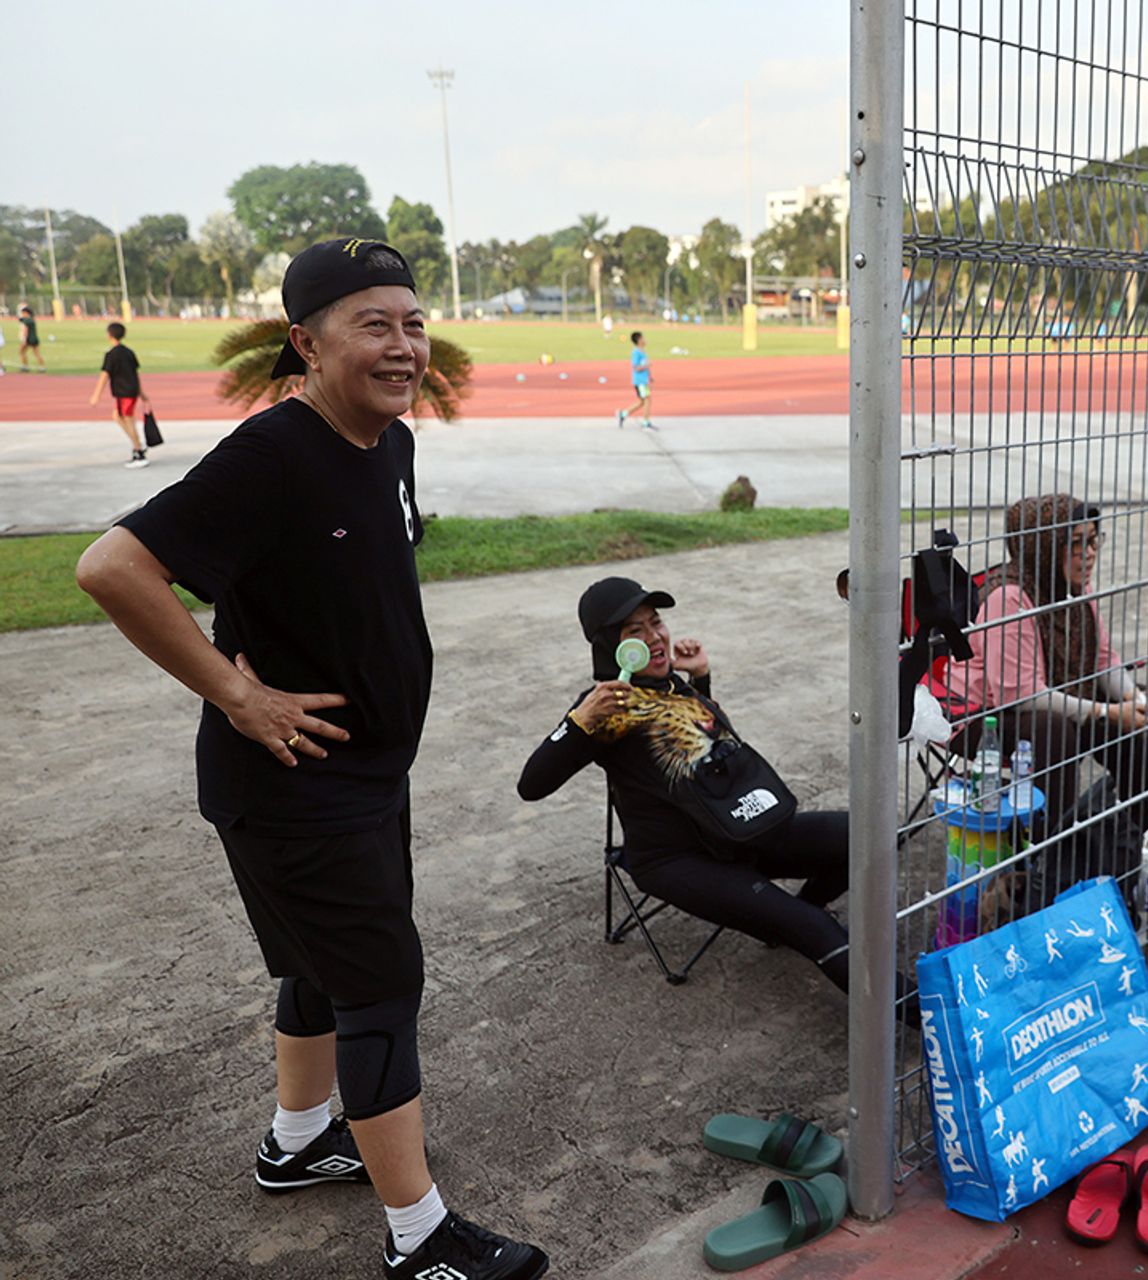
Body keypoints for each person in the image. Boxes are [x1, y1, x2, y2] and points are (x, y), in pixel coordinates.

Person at [74, 238, 548, 1280]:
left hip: (365, 778)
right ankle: (422, 1239)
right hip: (298, 788)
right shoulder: (273, 454)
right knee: (382, 987)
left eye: (413, 323)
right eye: (373, 324)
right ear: (307, 342)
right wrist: (236, 691)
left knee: (317, 971)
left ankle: (296, 1141)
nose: (403, 345)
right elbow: (113, 567)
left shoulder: (390, 444)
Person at [519, 577, 858, 996]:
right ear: (612, 647)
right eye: (634, 631)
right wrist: (578, 724)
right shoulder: (606, 707)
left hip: (732, 830)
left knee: (869, 836)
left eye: (656, 621)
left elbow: (713, 751)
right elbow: (531, 786)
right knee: (817, 929)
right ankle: (922, 1017)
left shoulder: (672, 685)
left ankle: (790, 918)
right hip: (676, 859)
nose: (655, 636)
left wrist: (700, 680)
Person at [945, 494, 1148, 827]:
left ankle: (1143, 834)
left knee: (1146, 719)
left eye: (1094, 540)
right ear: (1046, 547)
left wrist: (1134, 700)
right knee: (1054, 730)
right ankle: (1050, 854)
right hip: (982, 714)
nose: (1091, 552)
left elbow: (1104, 659)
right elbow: (1019, 696)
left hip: (1052, 699)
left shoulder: (1076, 590)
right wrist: (1107, 712)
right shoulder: (1009, 598)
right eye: (1078, 543)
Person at [87, 321, 153, 468]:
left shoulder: (111, 355)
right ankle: (137, 444)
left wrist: (96, 395)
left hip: (125, 392)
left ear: (109, 335)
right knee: (118, 416)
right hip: (129, 391)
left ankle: (139, 453)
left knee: (128, 419)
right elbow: (135, 374)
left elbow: (105, 375)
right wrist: (141, 393)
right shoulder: (129, 352)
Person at [616, 330, 654, 429]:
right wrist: (647, 365)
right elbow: (636, 367)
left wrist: (650, 376)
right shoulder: (636, 353)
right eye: (643, 338)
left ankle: (623, 414)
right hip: (639, 381)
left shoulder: (643, 352)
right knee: (647, 400)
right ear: (639, 340)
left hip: (644, 381)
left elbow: (645, 366)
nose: (645, 340)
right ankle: (646, 422)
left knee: (642, 402)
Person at [17, 303, 47, 372]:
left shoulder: (27, 320)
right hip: (34, 338)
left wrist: (24, 339)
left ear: (26, 313)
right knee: (37, 353)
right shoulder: (31, 319)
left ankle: (25, 366)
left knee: (22, 352)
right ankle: (42, 367)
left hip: (28, 339)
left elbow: (25, 330)